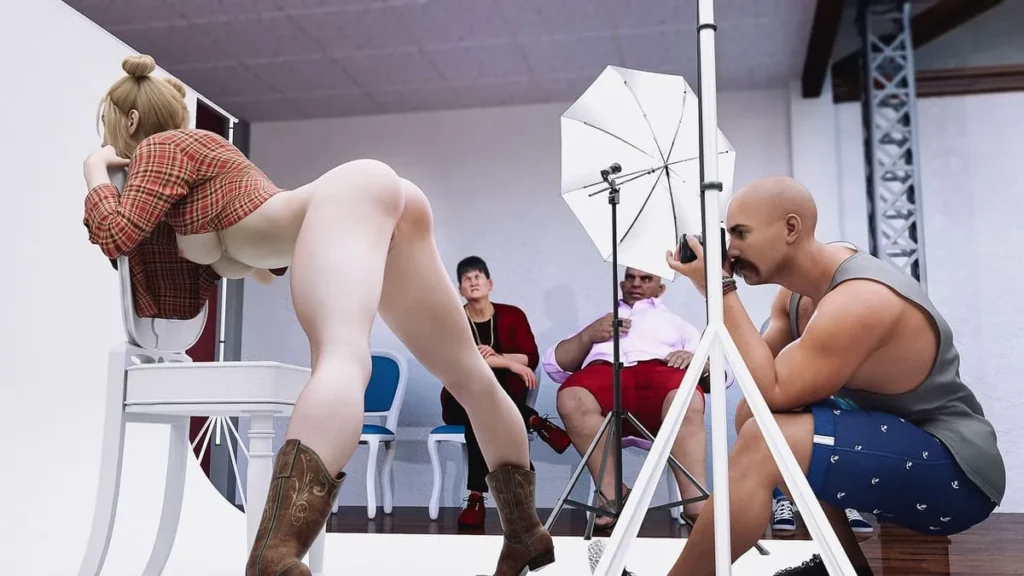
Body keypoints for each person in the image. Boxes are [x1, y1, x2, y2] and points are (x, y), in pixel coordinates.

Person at [82, 55, 554, 576]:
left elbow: (116, 233)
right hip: (387, 196)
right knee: (469, 374)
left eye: (110, 127)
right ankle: (526, 534)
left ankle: (275, 555)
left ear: (130, 120)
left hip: (354, 194)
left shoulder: (160, 149)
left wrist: (95, 170)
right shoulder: (208, 157)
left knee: (342, 357)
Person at [660, 176, 1004, 576]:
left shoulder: (860, 299)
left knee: (765, 441)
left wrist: (720, 290)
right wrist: (716, 302)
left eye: (741, 233)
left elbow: (772, 390)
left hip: (957, 473)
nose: (731, 249)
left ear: (791, 228)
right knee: (753, 419)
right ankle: (845, 567)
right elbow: (757, 389)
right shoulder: (795, 296)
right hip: (896, 448)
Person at [543, 267, 724, 530]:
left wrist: (697, 360)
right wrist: (588, 335)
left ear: (660, 289)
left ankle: (695, 501)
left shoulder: (678, 324)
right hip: (606, 377)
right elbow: (555, 365)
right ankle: (611, 493)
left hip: (660, 379)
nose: (636, 283)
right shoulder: (602, 321)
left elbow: (719, 376)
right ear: (621, 284)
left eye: (645, 278)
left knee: (686, 397)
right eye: (630, 278)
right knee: (571, 397)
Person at [442, 255, 571, 527]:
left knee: (482, 418)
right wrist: (508, 363)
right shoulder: (453, 320)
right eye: (467, 278)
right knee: (479, 408)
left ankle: (476, 497)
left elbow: (530, 358)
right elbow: (460, 362)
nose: (473, 282)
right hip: (459, 400)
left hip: (504, 400)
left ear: (490, 283)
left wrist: (497, 357)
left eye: (478, 276)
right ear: (460, 289)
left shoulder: (513, 315)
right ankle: (532, 420)